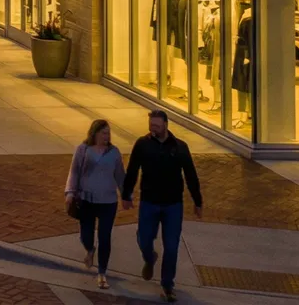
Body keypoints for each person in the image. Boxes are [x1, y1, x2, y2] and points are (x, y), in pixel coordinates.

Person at [123, 109, 202, 302]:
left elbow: (191, 175)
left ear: (166, 124)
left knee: (172, 246)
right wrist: (126, 194)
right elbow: (132, 169)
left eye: (156, 126)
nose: (153, 129)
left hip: (173, 205)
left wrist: (197, 201)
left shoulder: (180, 147)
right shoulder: (142, 145)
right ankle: (149, 258)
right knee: (144, 238)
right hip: (149, 202)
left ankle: (168, 284)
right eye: (151, 126)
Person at [65, 119, 126, 290]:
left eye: (108, 133)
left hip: (108, 202)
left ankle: (102, 273)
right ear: (95, 133)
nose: (107, 136)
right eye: (103, 133)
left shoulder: (114, 152)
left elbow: (120, 175)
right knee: (86, 235)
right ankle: (90, 250)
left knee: (105, 237)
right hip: (87, 200)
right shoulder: (83, 150)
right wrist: (70, 193)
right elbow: (74, 172)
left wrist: (126, 195)